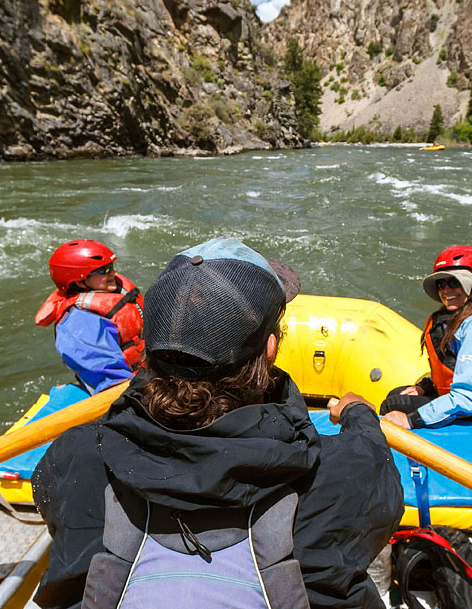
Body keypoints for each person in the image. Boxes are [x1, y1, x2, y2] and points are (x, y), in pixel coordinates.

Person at [32, 237, 403, 609]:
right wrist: (359, 416)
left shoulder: (78, 455)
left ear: (149, 342)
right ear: (271, 348)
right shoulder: (344, 470)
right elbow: (377, 491)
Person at [380, 245, 472, 431]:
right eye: (441, 284)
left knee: (394, 405)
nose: (445, 290)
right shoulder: (462, 317)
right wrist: (426, 386)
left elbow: (469, 398)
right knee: (398, 395)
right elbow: (455, 368)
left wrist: (411, 420)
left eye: (454, 283)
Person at [35, 239, 144, 394]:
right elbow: (110, 379)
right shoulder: (78, 323)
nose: (112, 273)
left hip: (145, 369)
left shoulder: (114, 291)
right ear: (80, 282)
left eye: (111, 267)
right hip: (124, 385)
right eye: (103, 271)